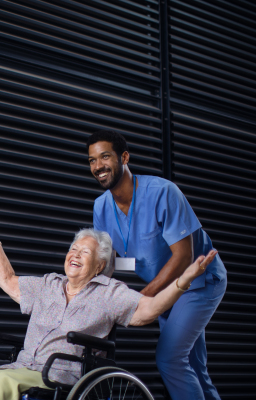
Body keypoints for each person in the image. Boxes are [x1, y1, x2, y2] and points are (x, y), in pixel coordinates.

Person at [0, 201, 217, 400]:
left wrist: (183, 281)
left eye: (85, 252)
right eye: (73, 249)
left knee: (2, 384)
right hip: (23, 366)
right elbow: (8, 281)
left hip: (58, 374)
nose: (75, 255)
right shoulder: (48, 284)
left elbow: (149, 310)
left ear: (100, 265)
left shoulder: (110, 292)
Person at [87, 129, 227, 400]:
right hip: (163, 288)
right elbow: (110, 262)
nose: (98, 166)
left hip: (199, 280)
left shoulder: (163, 192)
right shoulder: (101, 207)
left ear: (124, 157)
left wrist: (140, 299)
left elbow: (183, 257)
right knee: (194, 367)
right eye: (91, 160)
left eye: (105, 156)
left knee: (170, 358)